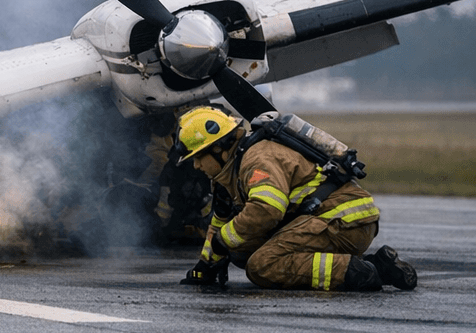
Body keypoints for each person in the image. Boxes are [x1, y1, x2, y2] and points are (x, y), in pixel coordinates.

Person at [175, 106, 416, 293]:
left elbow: (266, 210)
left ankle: (355, 273)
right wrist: (205, 266)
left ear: (219, 148)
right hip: (331, 219)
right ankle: (379, 266)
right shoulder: (228, 173)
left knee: (262, 266)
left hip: (343, 220)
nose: (196, 166)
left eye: (198, 157)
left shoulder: (256, 159)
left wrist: (222, 241)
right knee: (240, 252)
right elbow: (220, 221)